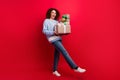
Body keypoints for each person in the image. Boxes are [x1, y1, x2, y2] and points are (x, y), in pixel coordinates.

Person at [42, 8, 86, 77]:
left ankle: (54, 70)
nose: (54, 14)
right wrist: (53, 32)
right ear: (50, 13)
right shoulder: (46, 21)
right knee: (64, 52)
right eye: (52, 12)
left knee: (57, 54)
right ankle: (75, 67)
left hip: (59, 38)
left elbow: (60, 30)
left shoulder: (57, 22)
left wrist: (65, 32)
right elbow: (44, 31)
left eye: (55, 13)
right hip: (53, 39)